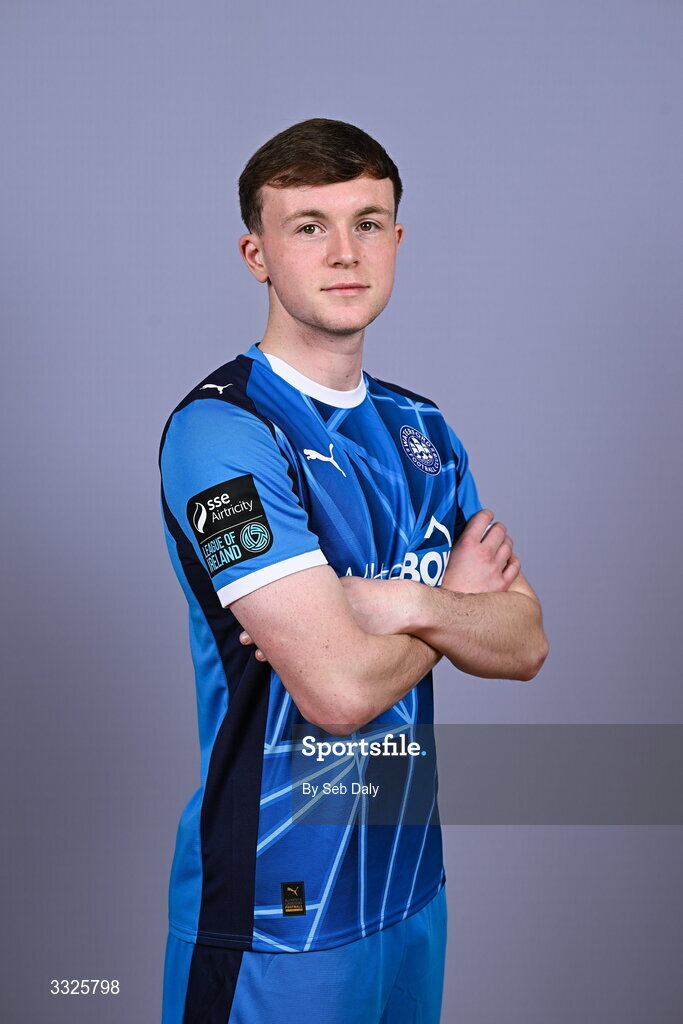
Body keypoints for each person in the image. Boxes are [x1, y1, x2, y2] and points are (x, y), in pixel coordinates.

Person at [159, 117, 548, 1023]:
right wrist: (455, 607)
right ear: (256, 253)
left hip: (412, 892)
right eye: (308, 226)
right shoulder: (222, 435)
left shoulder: (426, 432)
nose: (344, 252)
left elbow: (525, 642)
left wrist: (400, 602)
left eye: (367, 223)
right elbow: (335, 691)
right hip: (276, 915)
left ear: (397, 241)